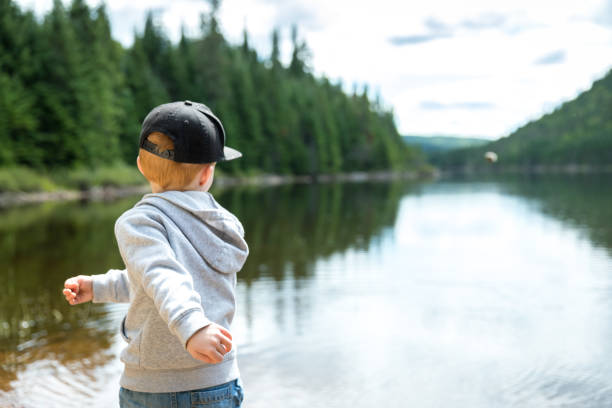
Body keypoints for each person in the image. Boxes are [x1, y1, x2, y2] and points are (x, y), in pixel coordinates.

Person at [62, 101, 249, 408]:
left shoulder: (140, 222)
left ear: (140, 164)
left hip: (154, 387)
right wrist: (98, 287)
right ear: (206, 175)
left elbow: (162, 275)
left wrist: (193, 327)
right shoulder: (223, 225)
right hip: (217, 381)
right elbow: (153, 278)